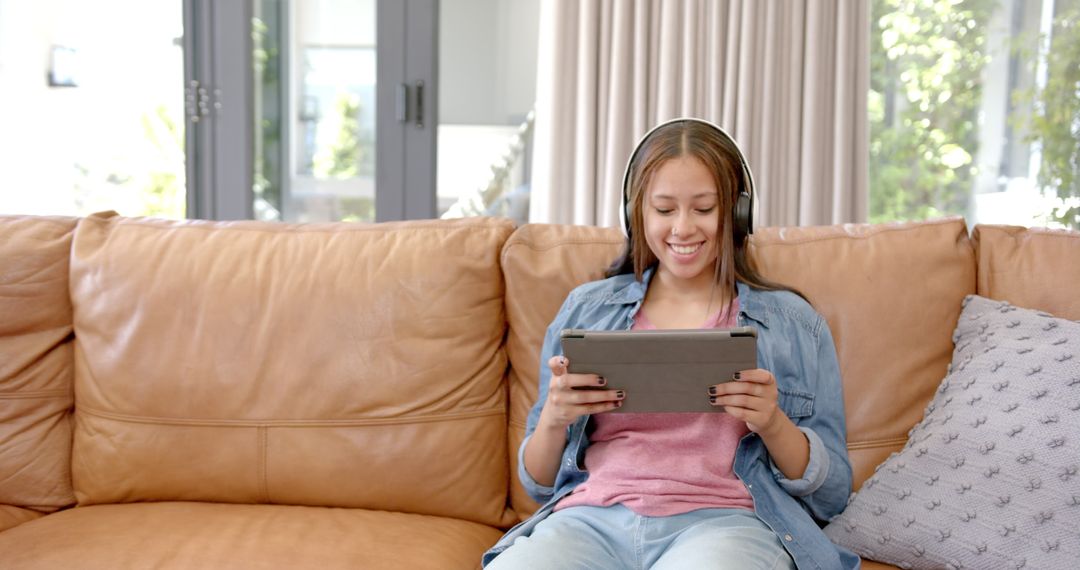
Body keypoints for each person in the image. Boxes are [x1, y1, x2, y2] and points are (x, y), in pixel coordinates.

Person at [482, 118, 858, 569]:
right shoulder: (586, 310)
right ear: (636, 213)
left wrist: (773, 423)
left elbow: (833, 496)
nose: (682, 228)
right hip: (590, 521)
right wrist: (554, 420)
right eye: (664, 210)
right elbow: (537, 483)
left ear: (737, 214)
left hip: (725, 526)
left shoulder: (793, 324)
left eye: (703, 209)